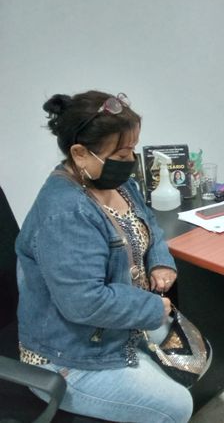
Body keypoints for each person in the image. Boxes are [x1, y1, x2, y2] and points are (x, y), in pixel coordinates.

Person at [15, 91, 193, 422]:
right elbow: (84, 303)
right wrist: (152, 308)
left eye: (133, 149)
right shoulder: (66, 213)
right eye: (122, 153)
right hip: (70, 353)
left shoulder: (120, 185)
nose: (131, 160)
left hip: (118, 323)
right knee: (178, 406)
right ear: (80, 153)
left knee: (193, 358)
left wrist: (160, 261)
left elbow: (149, 224)